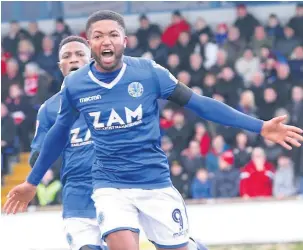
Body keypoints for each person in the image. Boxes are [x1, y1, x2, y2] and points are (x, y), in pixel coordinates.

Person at [4, 10, 303, 250]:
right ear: (91, 42)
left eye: (113, 34)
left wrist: (260, 126)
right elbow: (58, 134)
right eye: (97, 36)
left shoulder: (149, 73)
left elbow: (200, 104)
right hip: (109, 185)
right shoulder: (75, 85)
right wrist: (32, 181)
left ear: (124, 40)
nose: (106, 41)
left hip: (154, 182)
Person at [29, 36, 103, 250]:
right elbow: (37, 155)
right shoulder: (49, 109)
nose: (73, 59)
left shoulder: (113, 95)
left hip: (117, 188)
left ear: (92, 60)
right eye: (67, 56)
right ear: (60, 65)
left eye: (80, 54)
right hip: (77, 195)